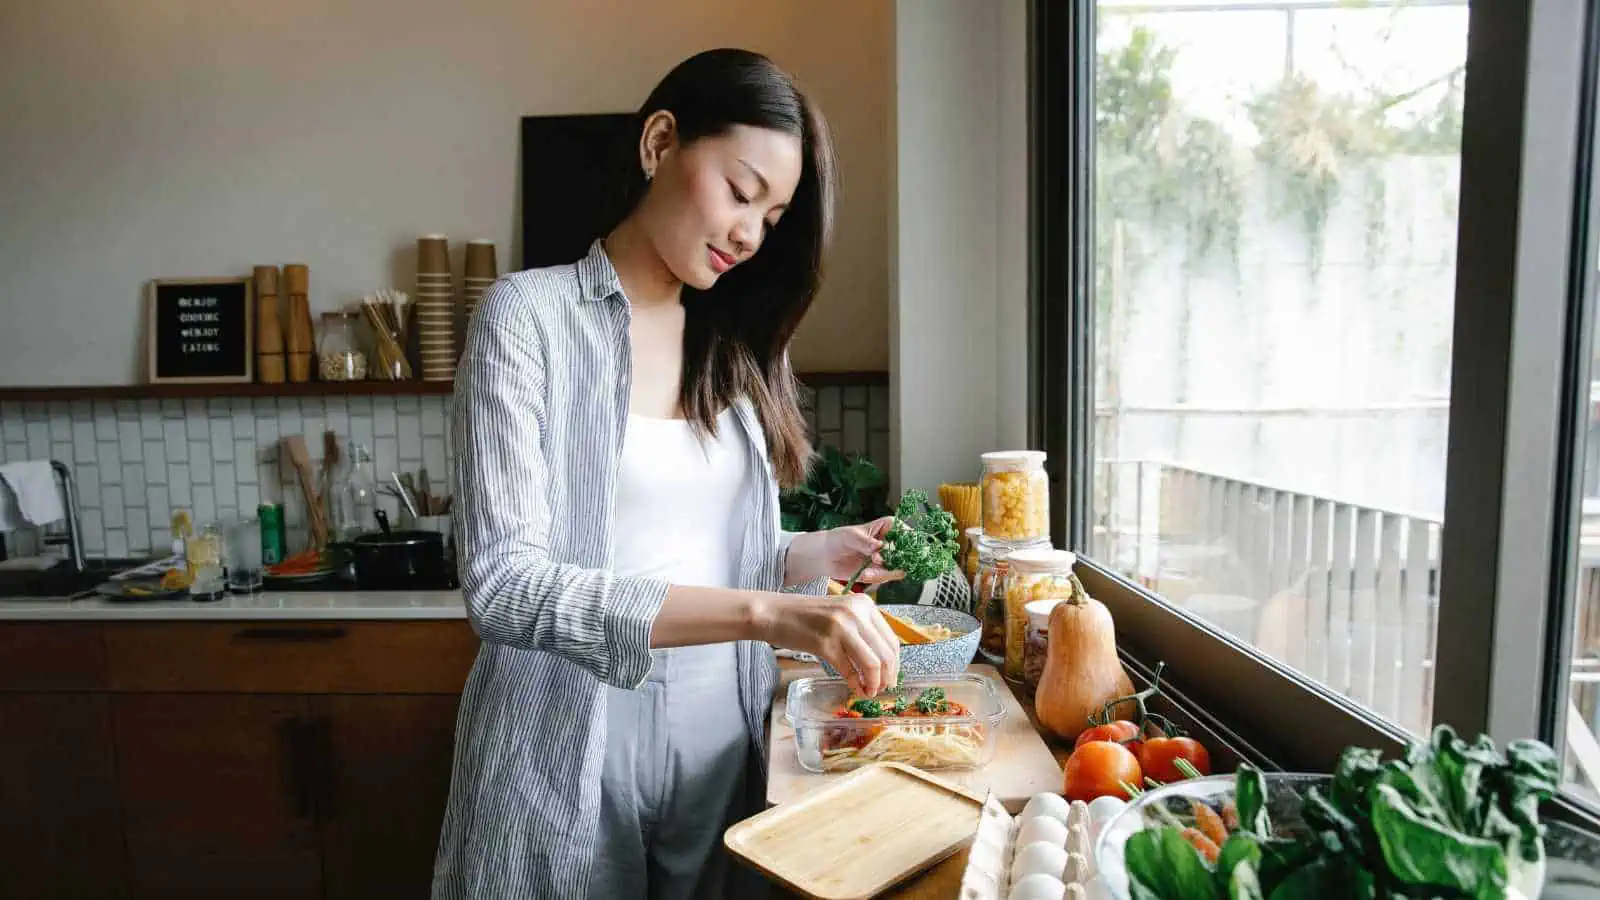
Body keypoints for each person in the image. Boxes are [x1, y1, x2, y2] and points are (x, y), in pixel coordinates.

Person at [432, 48, 904, 900]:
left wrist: (807, 554)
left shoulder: (730, 345)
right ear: (660, 142)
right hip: (567, 748)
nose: (750, 234)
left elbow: (683, 540)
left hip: (722, 743)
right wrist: (770, 612)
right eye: (740, 191)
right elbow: (503, 584)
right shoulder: (528, 318)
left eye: (773, 215)